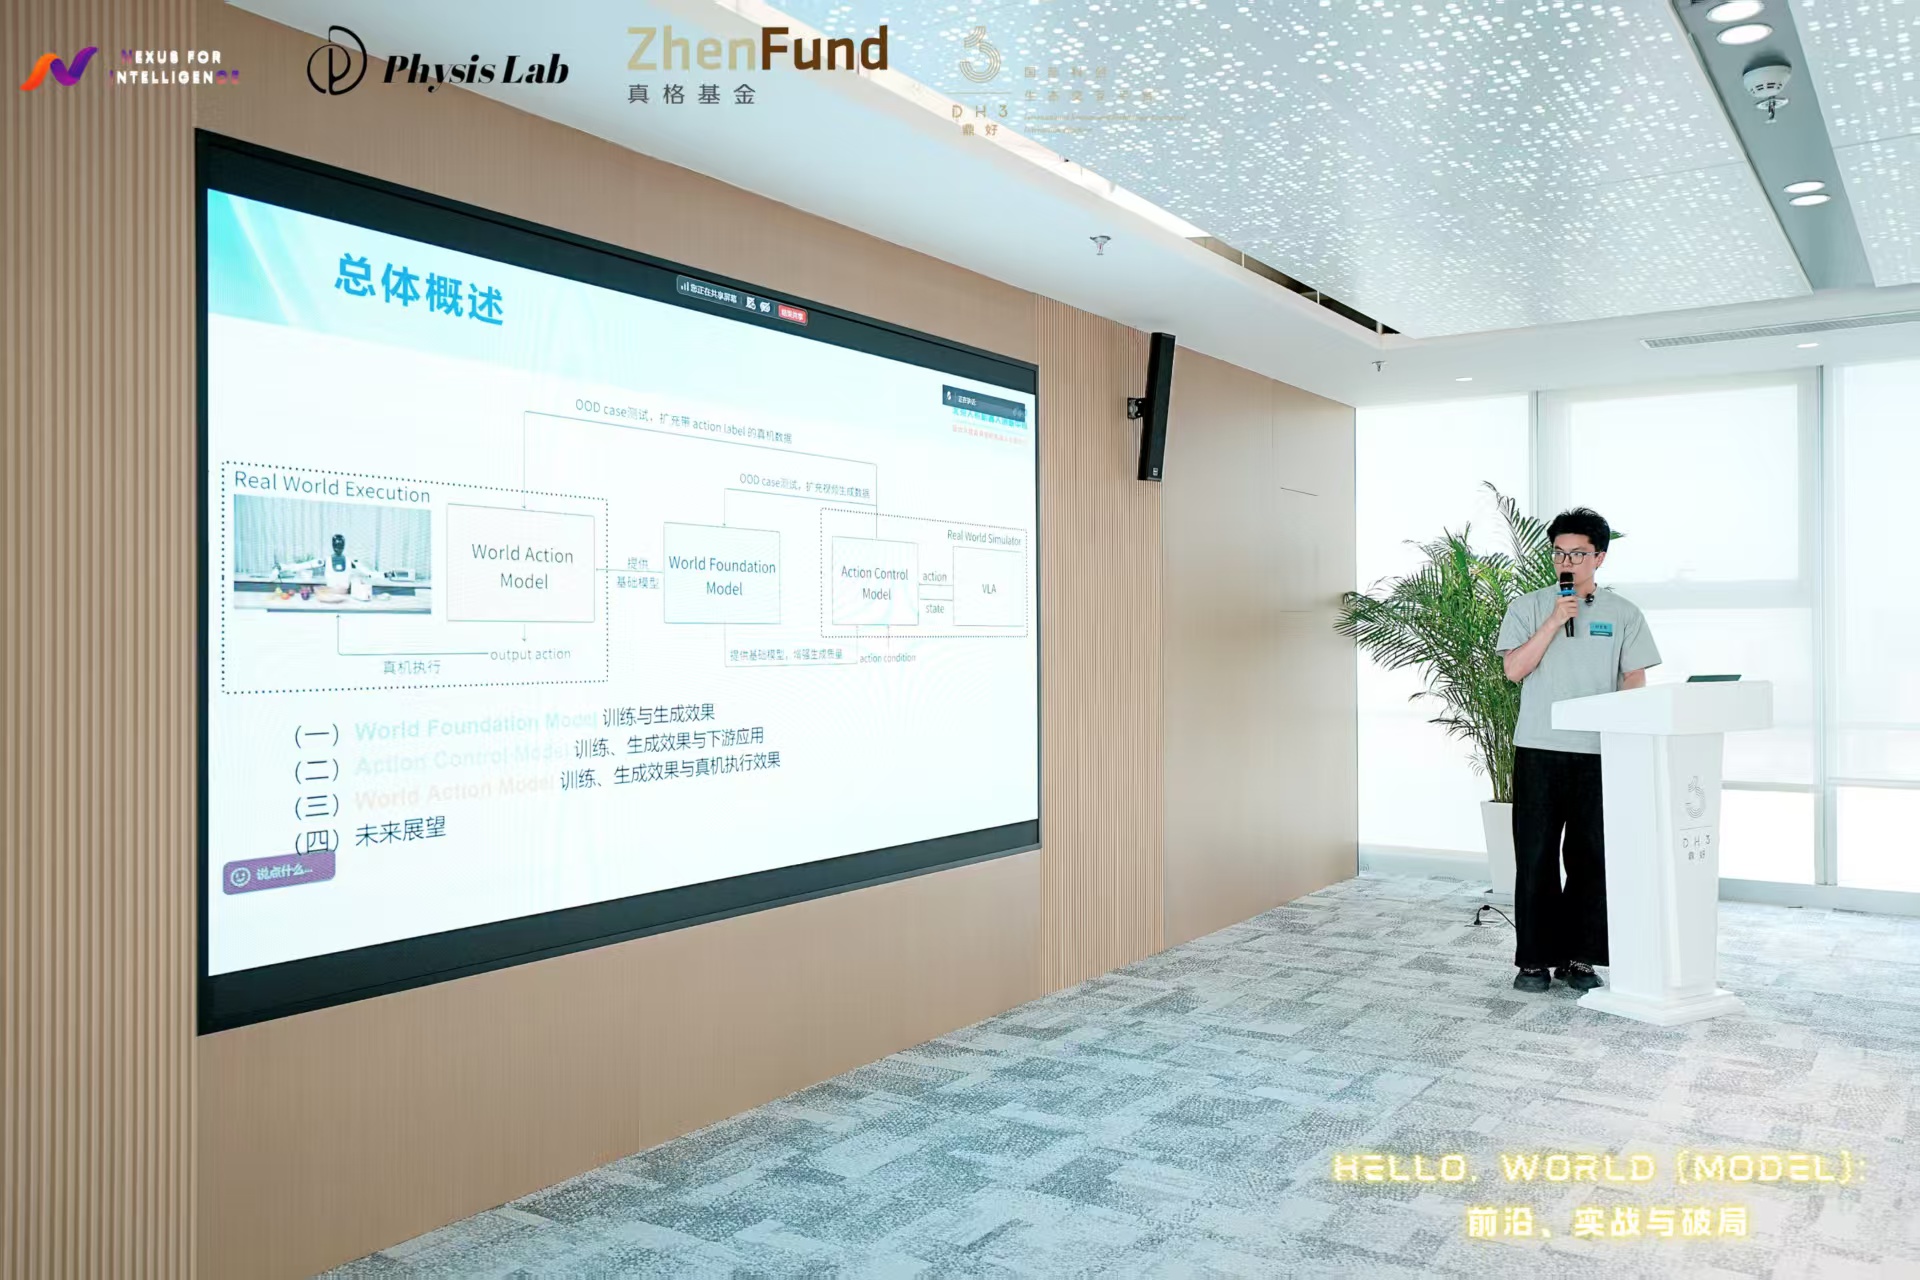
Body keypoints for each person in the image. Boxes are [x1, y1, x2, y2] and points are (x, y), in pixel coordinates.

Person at [1494, 508, 1661, 994]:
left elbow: (1634, 677)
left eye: (1578, 554)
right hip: (1539, 748)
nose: (1566, 562)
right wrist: (1553, 621)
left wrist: (1622, 730)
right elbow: (1514, 670)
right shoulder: (1528, 607)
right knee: (1536, 857)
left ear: (1599, 558)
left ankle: (1579, 957)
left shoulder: (1624, 613)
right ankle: (1534, 960)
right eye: (1559, 553)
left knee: (1591, 858)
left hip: (1598, 752)